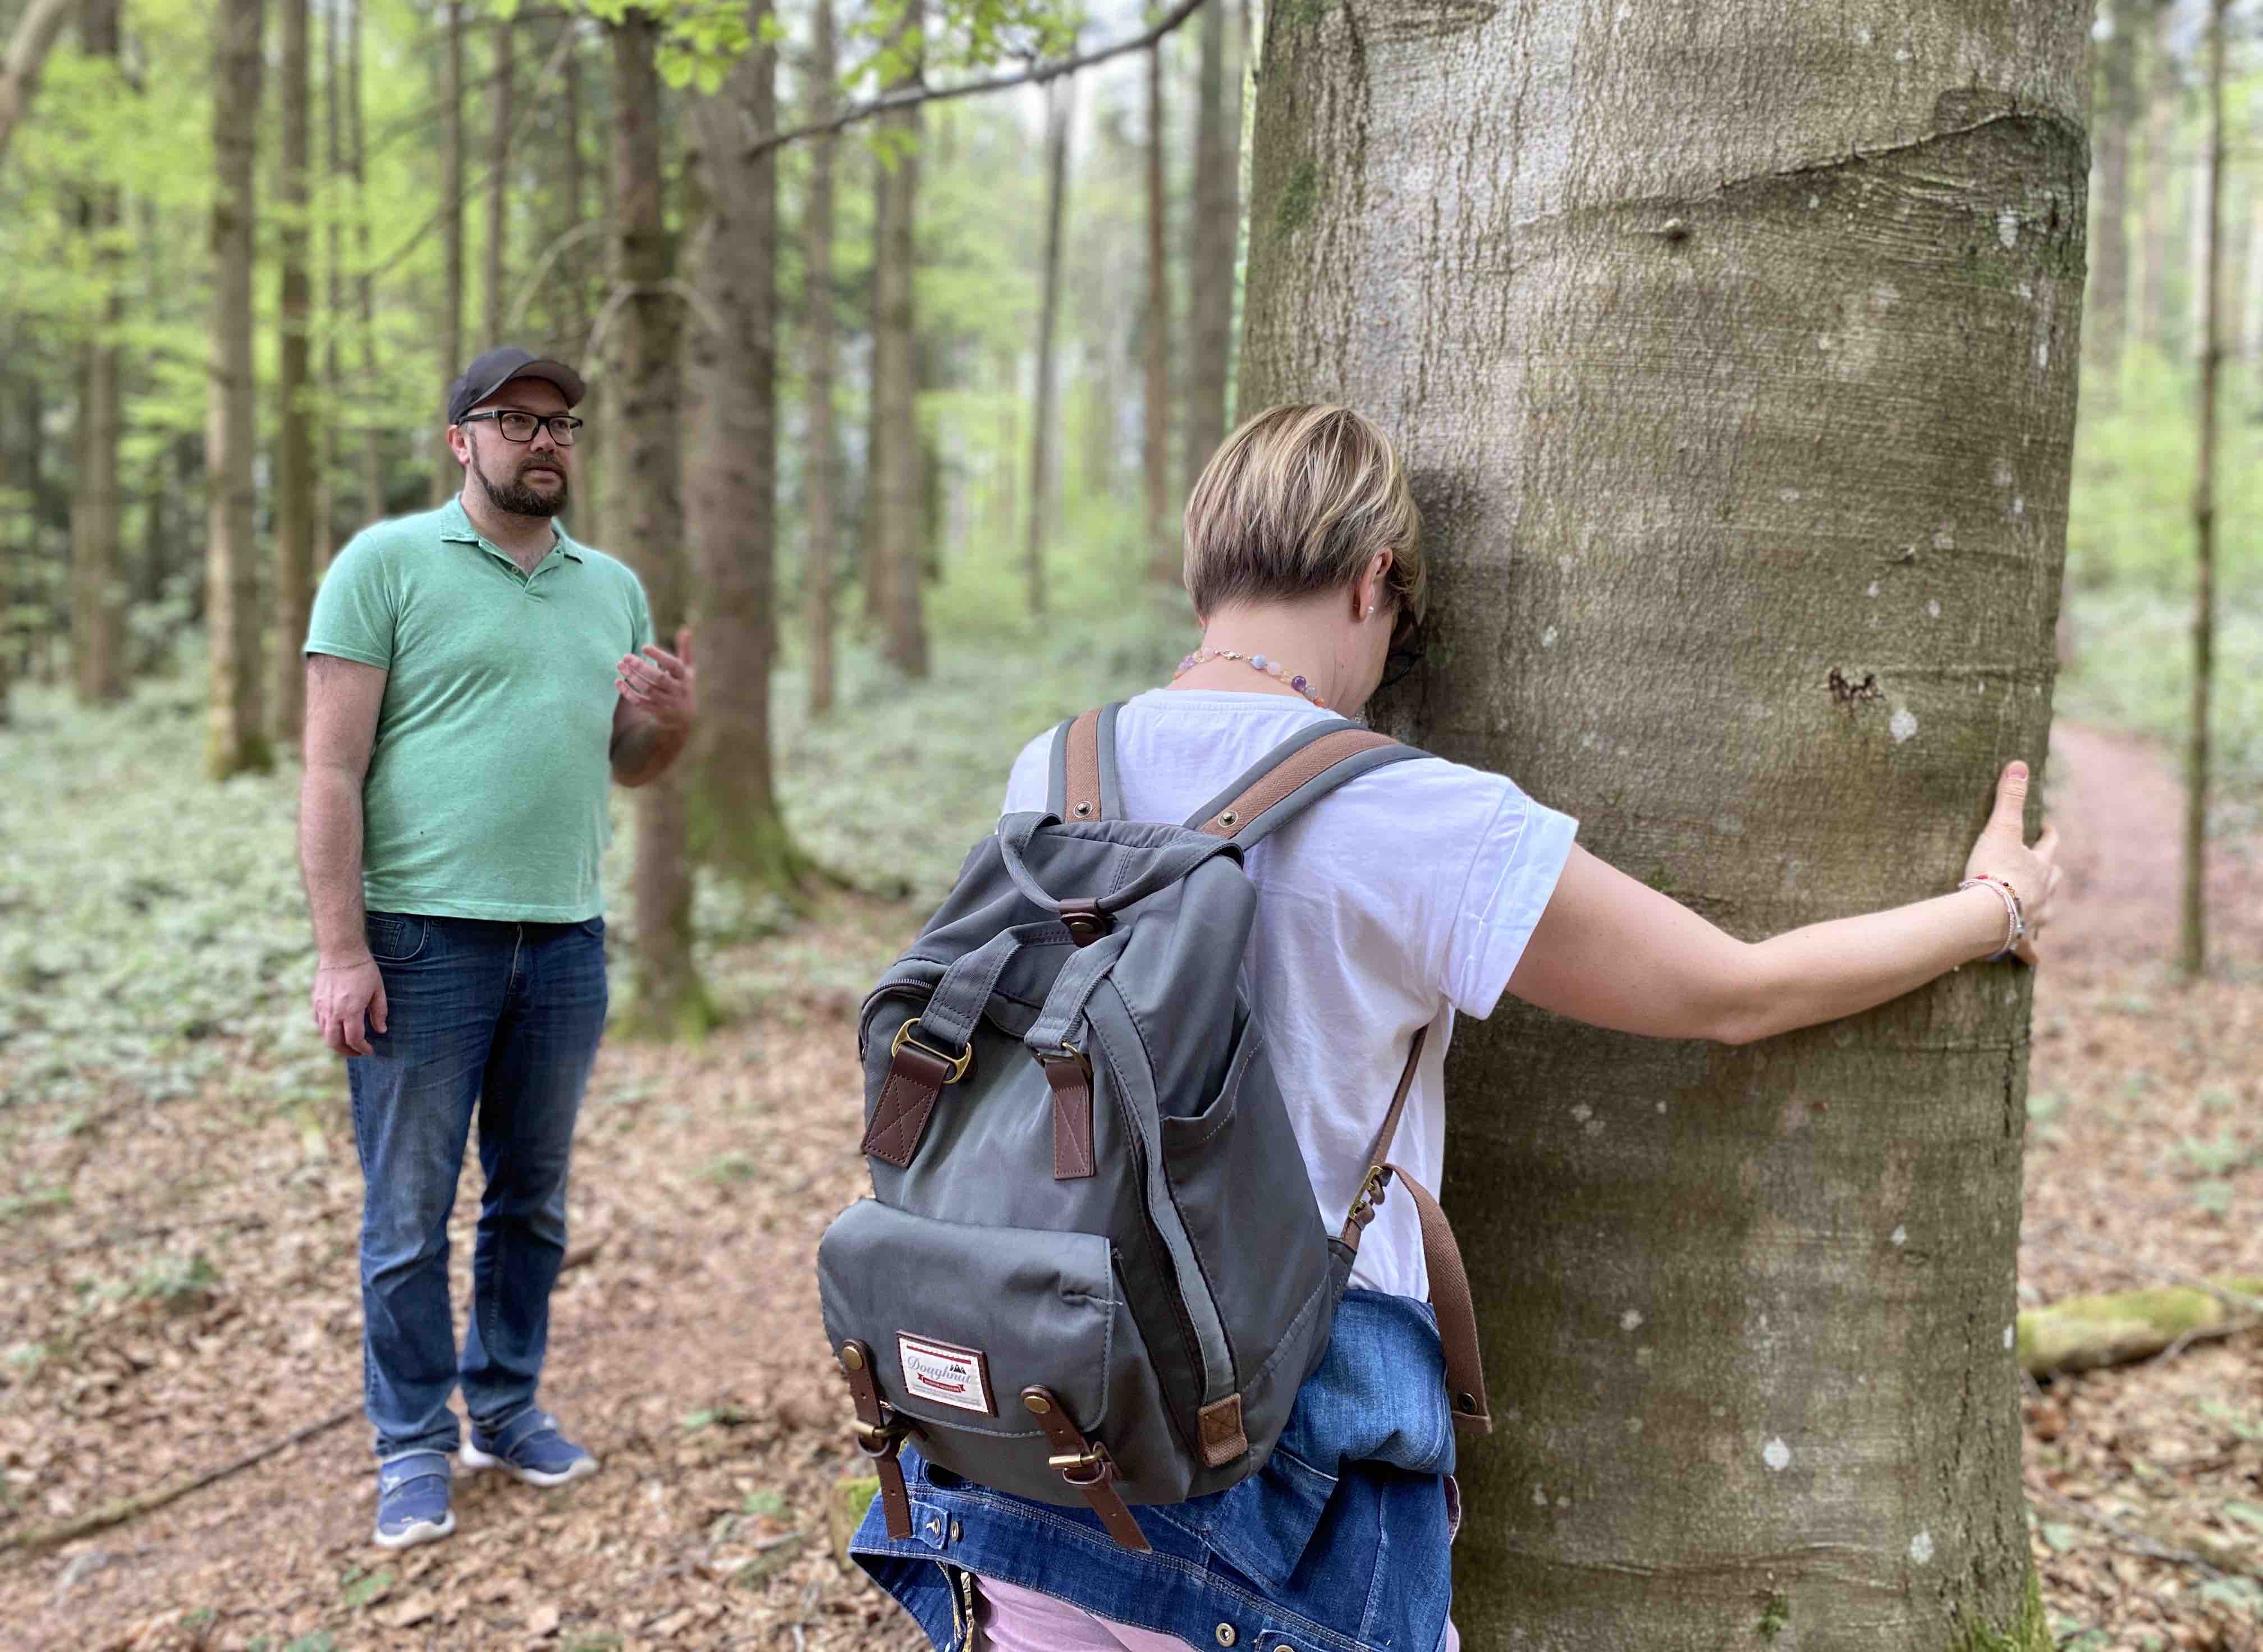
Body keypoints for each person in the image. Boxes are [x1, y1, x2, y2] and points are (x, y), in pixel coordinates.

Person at [849, 402, 2062, 1652]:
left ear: (1203, 566)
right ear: (1378, 578)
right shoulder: (1416, 815)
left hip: (1030, 1422)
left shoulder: (1053, 770)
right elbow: (1734, 990)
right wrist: (1995, 906)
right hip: (1278, 1454)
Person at [298, 348, 698, 1550]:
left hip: (564, 940)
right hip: (420, 942)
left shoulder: (610, 587)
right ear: (460, 441)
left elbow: (630, 764)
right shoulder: (385, 566)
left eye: (561, 422)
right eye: (514, 420)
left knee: (531, 1201)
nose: (543, 441)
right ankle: (413, 1443)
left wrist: (671, 725)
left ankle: (507, 1405)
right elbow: (329, 767)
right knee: (409, 1212)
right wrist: (341, 948)